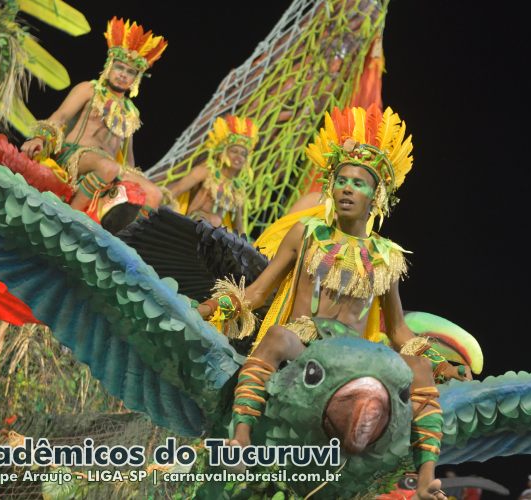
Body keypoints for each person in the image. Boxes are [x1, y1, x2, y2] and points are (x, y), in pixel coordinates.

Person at [199, 105, 470, 500]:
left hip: (358, 355)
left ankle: (427, 478)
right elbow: (257, 293)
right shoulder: (305, 233)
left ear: (375, 194)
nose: (347, 188)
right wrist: (208, 310)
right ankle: (241, 437)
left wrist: (439, 364)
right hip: (306, 340)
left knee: (417, 371)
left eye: (358, 183)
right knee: (275, 336)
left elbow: (397, 331)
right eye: (341, 180)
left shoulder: (387, 256)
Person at [21, 17, 166, 222]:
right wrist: (39, 138)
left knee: (154, 194)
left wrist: (138, 179)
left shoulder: (131, 111)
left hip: (108, 166)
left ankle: (131, 237)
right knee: (109, 167)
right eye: (119, 67)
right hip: (76, 156)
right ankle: (70, 217)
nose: (123, 75)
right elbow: (60, 117)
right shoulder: (89, 89)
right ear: (109, 66)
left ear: (136, 78)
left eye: (130, 72)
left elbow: (128, 157)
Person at [168, 115, 258, 233]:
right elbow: (176, 189)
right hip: (193, 224)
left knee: (217, 222)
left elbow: (238, 226)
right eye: (234, 151)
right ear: (222, 153)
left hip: (215, 234)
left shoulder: (237, 188)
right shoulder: (206, 171)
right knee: (212, 220)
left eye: (243, 154)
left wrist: (246, 245)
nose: (238, 157)